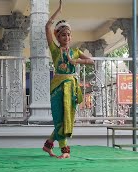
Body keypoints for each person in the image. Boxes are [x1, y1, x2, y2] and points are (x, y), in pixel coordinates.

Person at [43, 0, 94, 159]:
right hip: (57, 88)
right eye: (63, 34)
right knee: (60, 117)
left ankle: (48, 145)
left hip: (71, 88)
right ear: (58, 36)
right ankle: (65, 151)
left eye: (68, 34)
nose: (66, 37)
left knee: (66, 118)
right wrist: (58, 10)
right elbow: (47, 28)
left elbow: (91, 61)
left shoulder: (76, 52)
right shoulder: (55, 50)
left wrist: (76, 61)